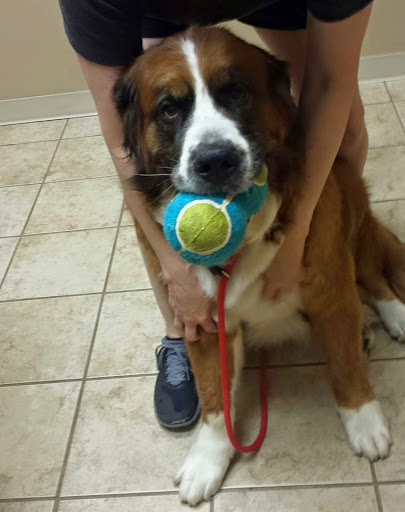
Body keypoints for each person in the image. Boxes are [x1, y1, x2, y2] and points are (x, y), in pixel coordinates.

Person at [59, 0, 373, 429]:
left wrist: (294, 235)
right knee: (155, 137)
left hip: (276, 2)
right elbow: (121, 136)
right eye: (171, 110)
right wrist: (175, 270)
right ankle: (182, 330)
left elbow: (330, 82)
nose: (212, 150)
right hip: (152, 9)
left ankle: (346, 273)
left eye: (234, 94)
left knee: (344, 129)